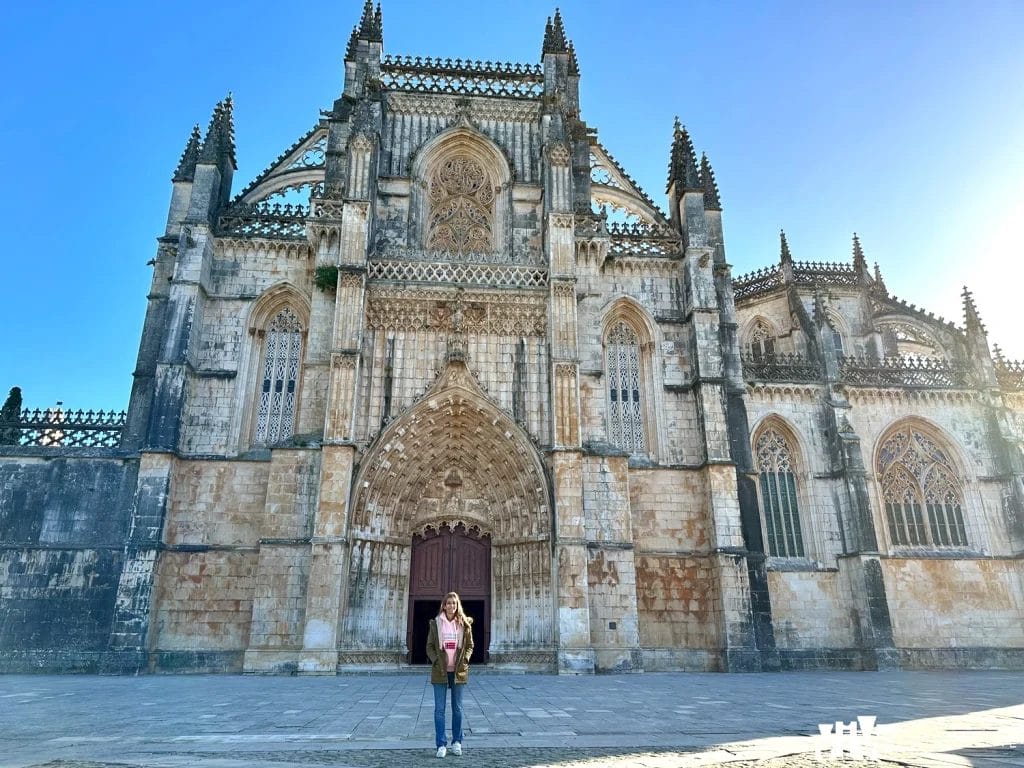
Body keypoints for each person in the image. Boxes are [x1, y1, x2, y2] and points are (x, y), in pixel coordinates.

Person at [426, 591, 474, 758]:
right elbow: (429, 646)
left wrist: (465, 659)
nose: (451, 606)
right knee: (439, 710)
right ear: (444, 606)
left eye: (454, 603)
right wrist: (435, 661)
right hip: (440, 671)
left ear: (457, 605)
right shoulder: (435, 624)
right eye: (448, 603)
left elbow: (470, 645)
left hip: (458, 671)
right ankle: (441, 744)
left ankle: (457, 742)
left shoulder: (464, 624)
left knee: (457, 709)